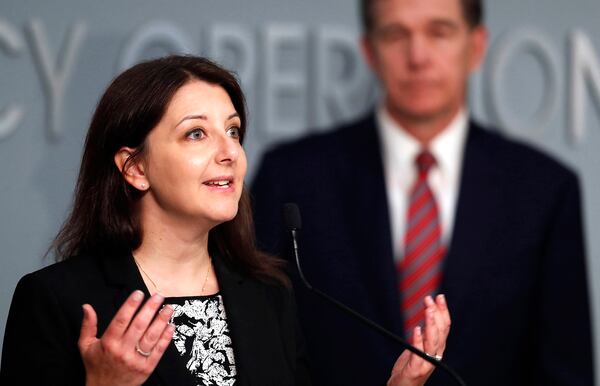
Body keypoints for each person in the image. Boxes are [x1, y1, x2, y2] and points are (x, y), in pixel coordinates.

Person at [0, 55, 450, 386]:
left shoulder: (268, 294)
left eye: (233, 131)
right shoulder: (58, 300)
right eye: (197, 133)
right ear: (134, 168)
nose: (229, 152)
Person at [251, 0, 594, 385]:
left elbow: (567, 372)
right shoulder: (292, 177)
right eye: (396, 34)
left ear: (476, 46)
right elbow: (259, 351)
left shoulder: (545, 189)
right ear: (369, 51)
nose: (417, 56)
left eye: (439, 32)